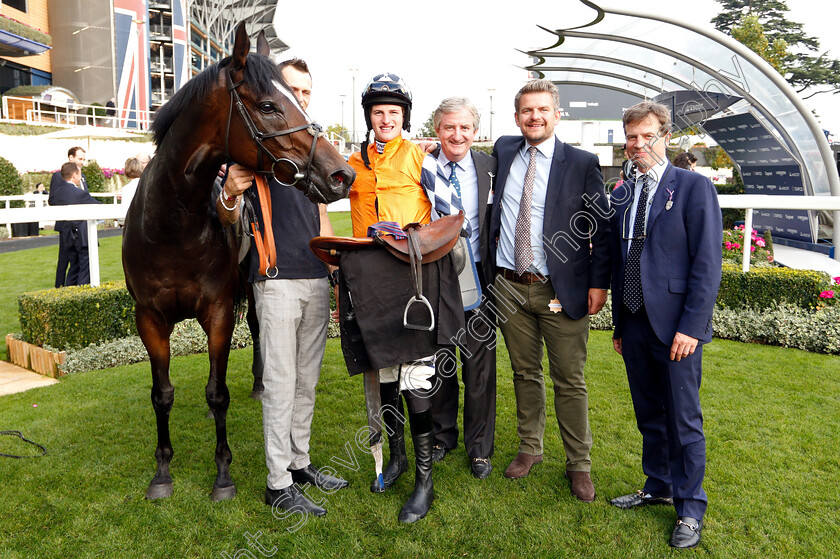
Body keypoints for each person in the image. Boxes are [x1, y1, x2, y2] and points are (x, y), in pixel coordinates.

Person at [217, 57, 348, 518]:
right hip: (274, 283)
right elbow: (229, 215)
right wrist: (231, 192)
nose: (302, 97)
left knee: (306, 382)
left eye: (307, 91)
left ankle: (300, 462)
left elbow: (322, 214)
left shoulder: (306, 148)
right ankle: (277, 483)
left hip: (315, 278)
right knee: (279, 384)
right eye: (294, 89)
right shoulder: (255, 151)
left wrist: (333, 269)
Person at [487, 79, 611, 503]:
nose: (534, 117)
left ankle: (579, 463)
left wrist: (598, 282)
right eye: (526, 110)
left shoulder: (582, 161)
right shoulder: (503, 151)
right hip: (509, 286)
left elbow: (601, 227)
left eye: (543, 110)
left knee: (569, 379)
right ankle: (530, 448)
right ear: (516, 116)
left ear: (557, 114)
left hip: (560, 289)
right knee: (524, 373)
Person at [608, 101, 722, 549]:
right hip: (635, 322)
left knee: (683, 420)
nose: (638, 145)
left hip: (678, 328)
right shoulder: (623, 191)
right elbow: (620, 260)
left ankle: (690, 507)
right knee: (649, 414)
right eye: (631, 137)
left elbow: (707, 264)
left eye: (647, 136)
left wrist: (692, 326)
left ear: (665, 137)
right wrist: (620, 323)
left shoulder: (693, 188)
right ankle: (657, 484)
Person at [344, 72, 452, 523]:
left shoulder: (421, 157)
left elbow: (448, 213)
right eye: (378, 112)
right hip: (368, 280)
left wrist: (416, 242)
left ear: (403, 116)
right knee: (385, 372)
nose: (386, 119)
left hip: (413, 276)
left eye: (393, 112)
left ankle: (424, 480)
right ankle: (398, 455)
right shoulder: (352, 162)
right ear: (369, 116)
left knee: (416, 375)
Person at [421, 97, 497, 479]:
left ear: (475, 132)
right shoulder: (423, 166)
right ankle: (441, 437)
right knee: (440, 362)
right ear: (437, 130)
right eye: (449, 127)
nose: (457, 134)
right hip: (437, 275)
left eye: (464, 127)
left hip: (479, 277)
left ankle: (480, 448)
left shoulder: (491, 166)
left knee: (480, 366)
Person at [49, 162, 101, 286]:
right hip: (81, 237)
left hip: (67, 236)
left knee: (73, 268)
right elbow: (99, 206)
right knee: (84, 269)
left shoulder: (57, 194)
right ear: (74, 175)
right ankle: (81, 297)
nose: (81, 177)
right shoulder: (80, 194)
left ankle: (69, 295)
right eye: (79, 174)